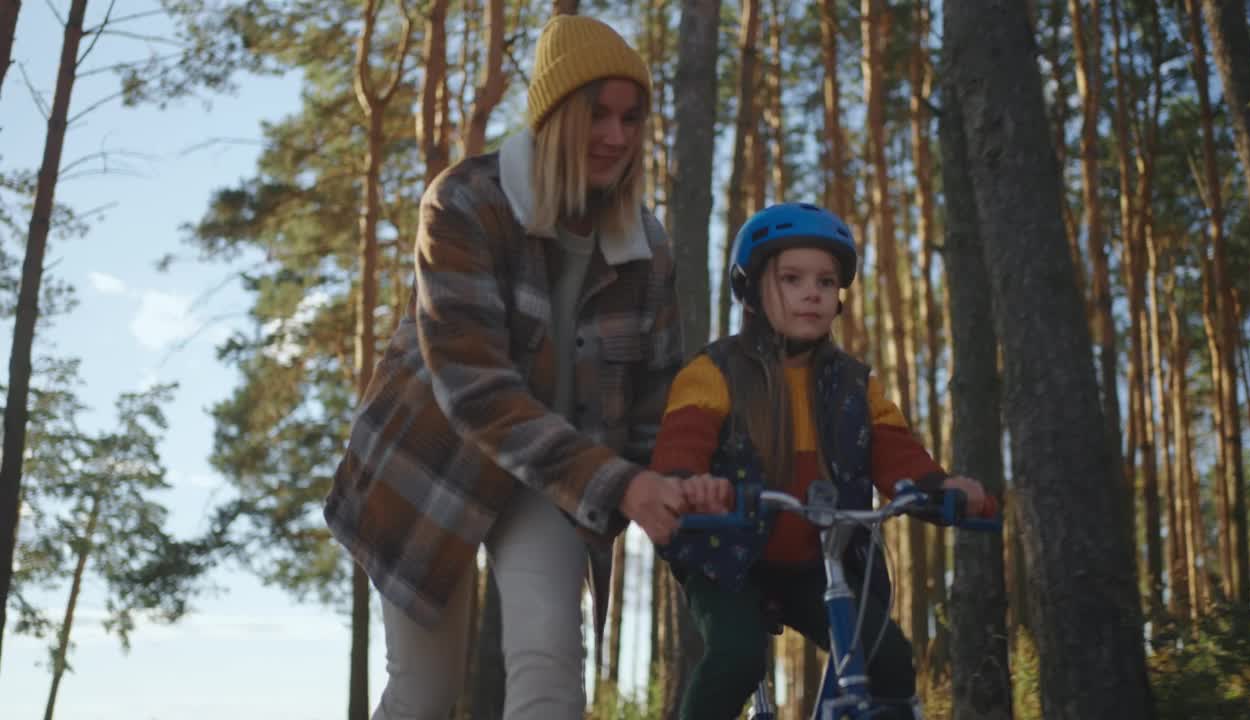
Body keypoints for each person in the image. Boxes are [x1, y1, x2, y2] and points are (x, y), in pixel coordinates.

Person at [324, 15, 690, 720]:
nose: (616, 136)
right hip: (430, 467)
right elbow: (475, 389)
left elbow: (657, 400)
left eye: (631, 117)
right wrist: (623, 483)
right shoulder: (463, 202)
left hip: (556, 477)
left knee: (550, 677)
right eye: (597, 114)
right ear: (554, 116)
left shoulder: (648, 247)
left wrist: (679, 484)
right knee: (424, 696)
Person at [651, 202, 995, 720]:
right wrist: (686, 483)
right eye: (792, 278)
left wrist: (939, 488)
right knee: (737, 657)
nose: (813, 292)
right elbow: (682, 441)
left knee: (889, 659)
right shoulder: (715, 370)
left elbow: (896, 451)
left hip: (817, 560)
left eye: (827, 282)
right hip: (727, 554)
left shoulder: (855, 385)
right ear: (750, 289)